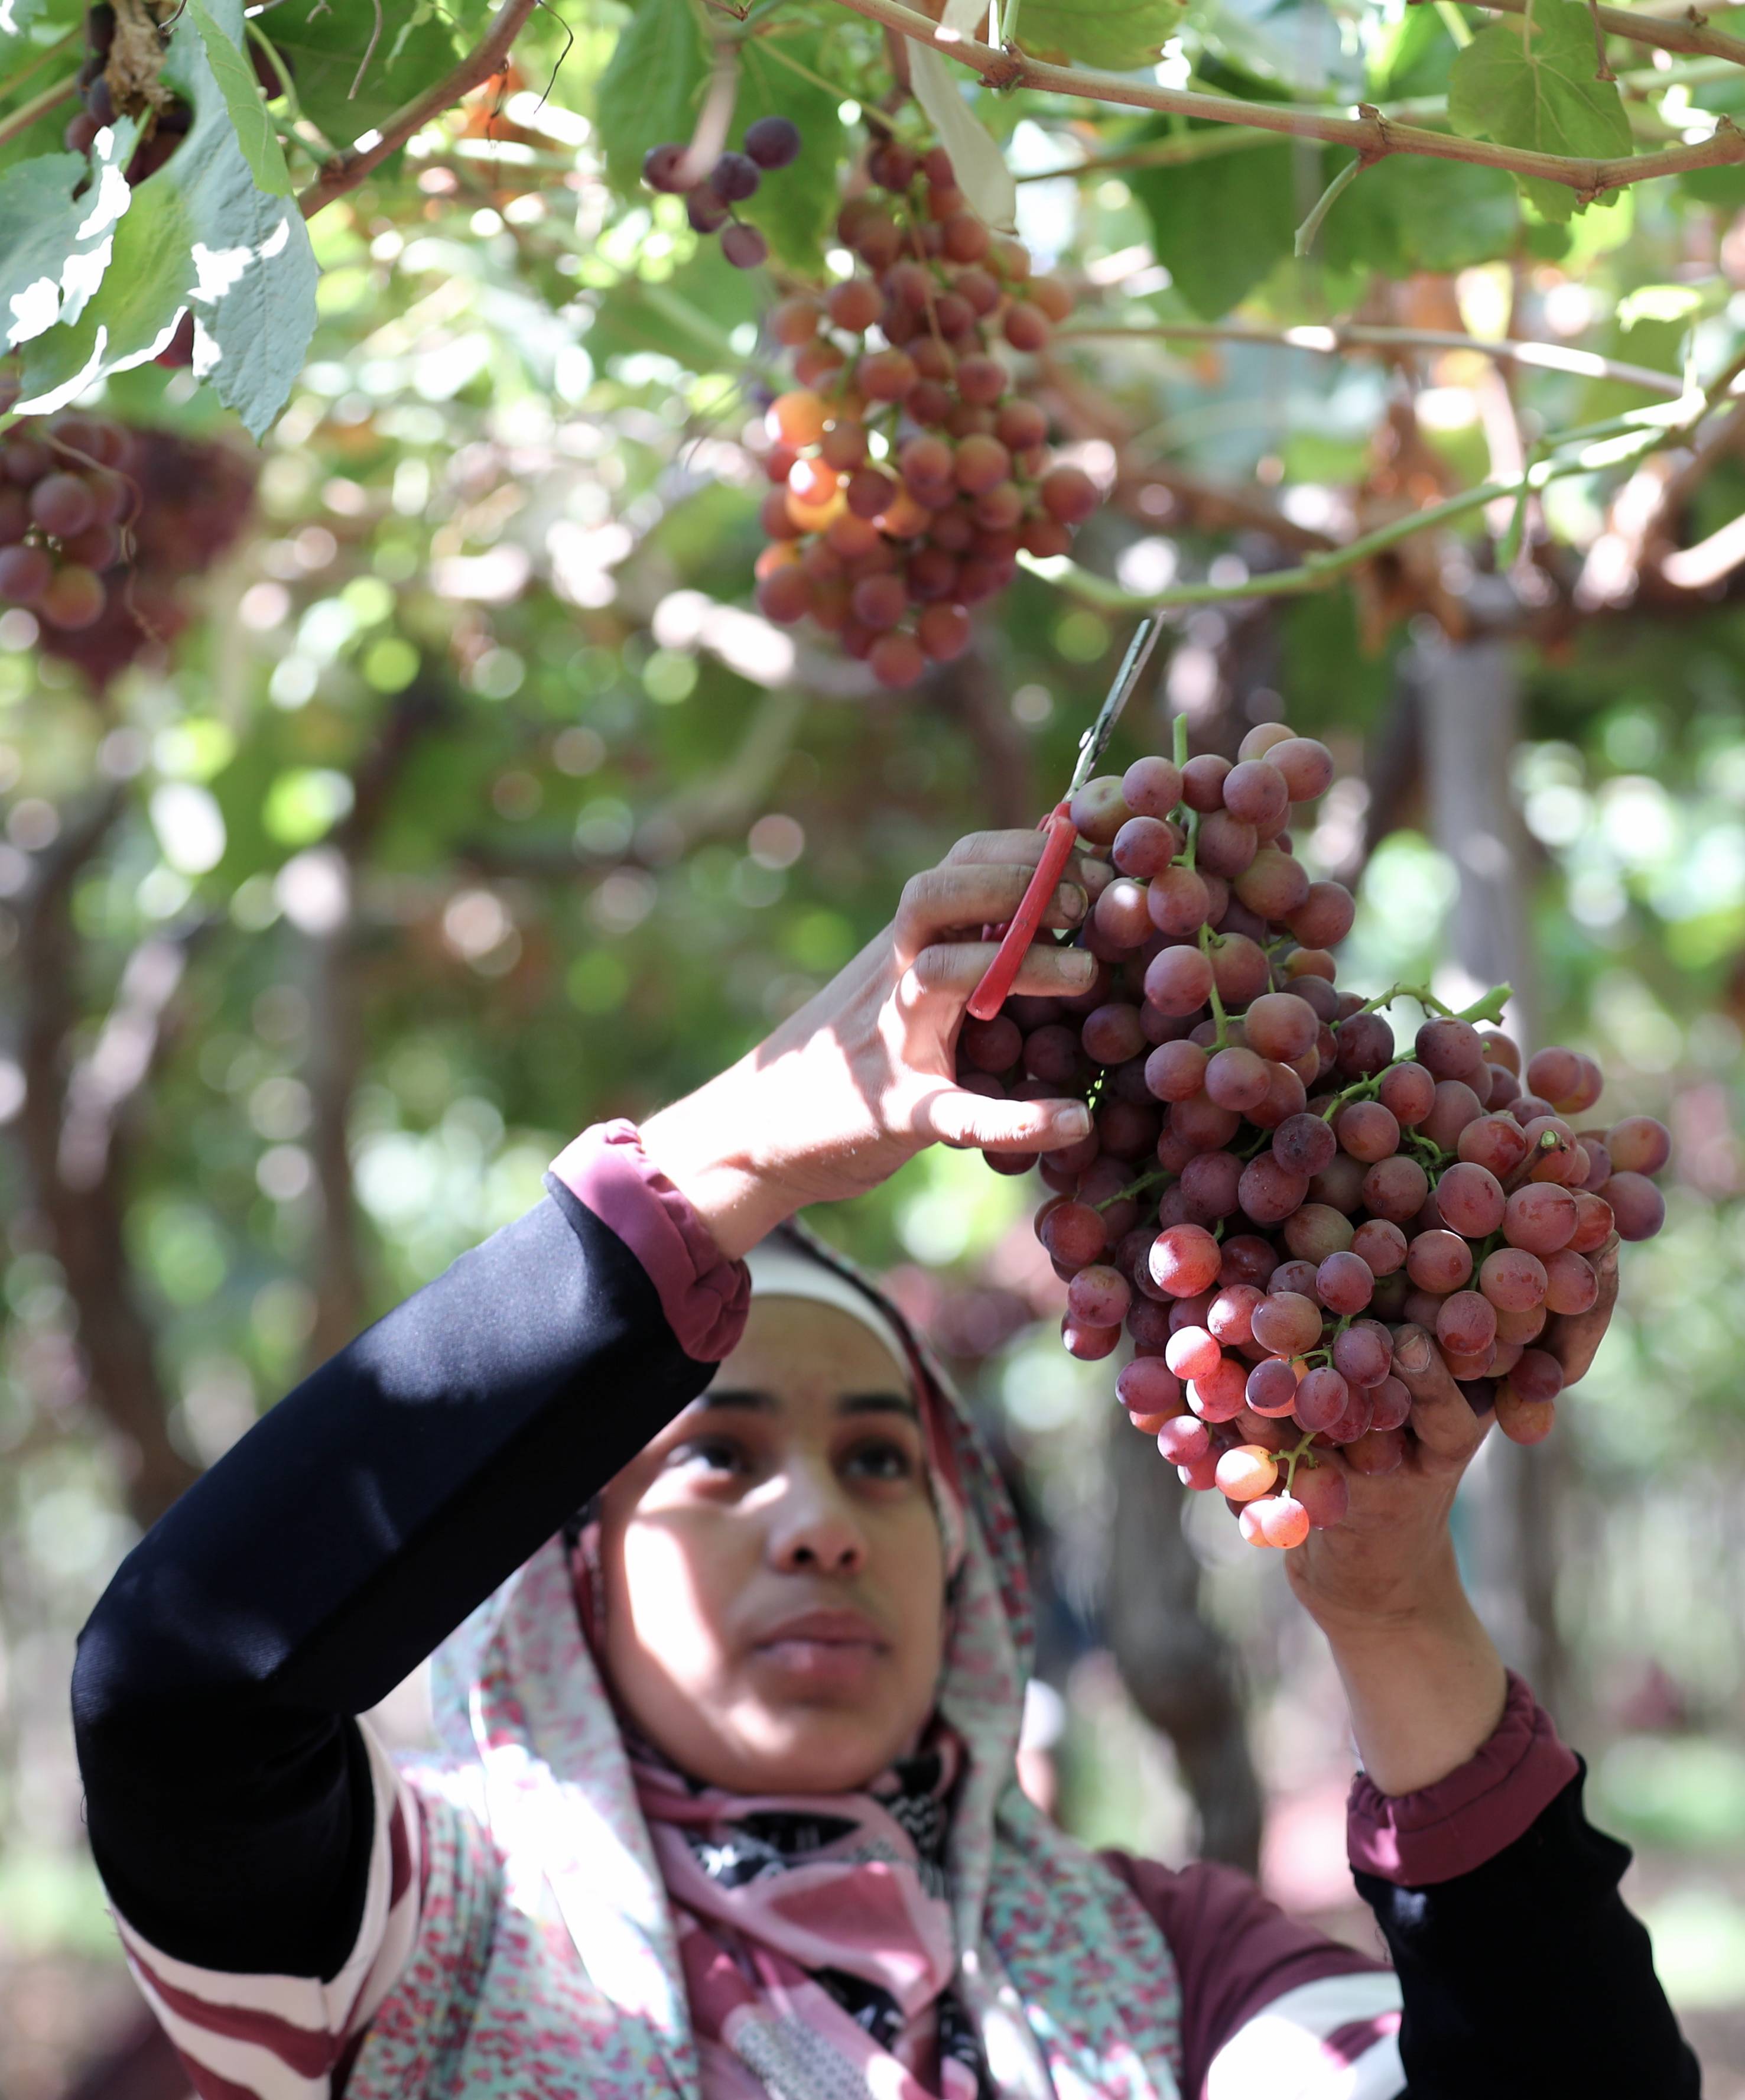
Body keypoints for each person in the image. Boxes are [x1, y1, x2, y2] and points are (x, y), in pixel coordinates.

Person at [71, 830, 1698, 2100]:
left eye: (878, 1461)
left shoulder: (1170, 1970)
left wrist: (1397, 1615)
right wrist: (743, 1147)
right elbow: (179, 1696)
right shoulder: (416, 1927)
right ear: (569, 1571)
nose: (821, 1526)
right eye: (715, 1458)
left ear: (966, 1560)